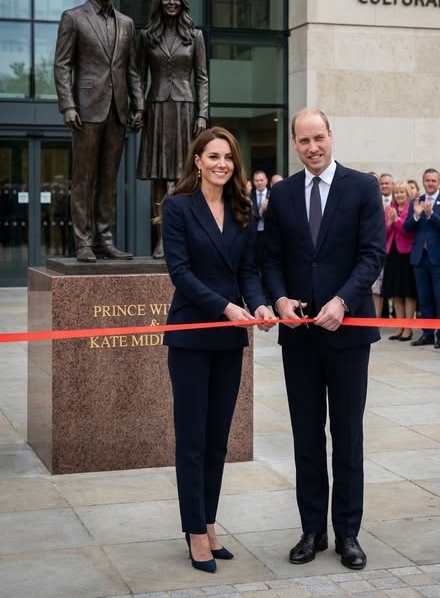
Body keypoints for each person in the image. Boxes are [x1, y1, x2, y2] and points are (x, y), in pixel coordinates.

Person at [263, 108, 385, 570]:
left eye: (318, 138)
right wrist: (279, 300)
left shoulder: (362, 187)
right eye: (303, 141)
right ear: (294, 144)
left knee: (347, 436)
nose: (312, 148)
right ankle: (311, 529)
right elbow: (270, 257)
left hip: (348, 335)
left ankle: (347, 533)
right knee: (306, 437)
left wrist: (344, 301)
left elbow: (372, 254)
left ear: (331, 136)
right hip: (300, 339)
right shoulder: (283, 193)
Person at [162, 127, 273, 573]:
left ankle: (209, 522)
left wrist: (259, 304)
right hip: (190, 335)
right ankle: (193, 530)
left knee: (217, 441)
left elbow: (248, 270)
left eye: (228, 157)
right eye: (213, 156)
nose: (221, 163)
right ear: (197, 161)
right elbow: (180, 273)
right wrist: (228, 307)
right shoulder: (177, 207)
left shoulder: (242, 209)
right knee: (192, 439)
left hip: (229, 341)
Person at [54, 0, 144, 261]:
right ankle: (82, 242)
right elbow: (62, 65)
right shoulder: (74, 18)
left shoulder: (127, 23)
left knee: (108, 180)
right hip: (86, 111)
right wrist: (67, 105)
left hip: (117, 110)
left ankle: (104, 239)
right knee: (83, 180)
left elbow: (133, 70)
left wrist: (138, 104)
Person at [137, 0, 208, 258]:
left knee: (183, 175)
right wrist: (138, 108)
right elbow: (139, 75)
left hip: (185, 109)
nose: (171, 3)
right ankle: (162, 239)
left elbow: (202, 78)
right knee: (159, 176)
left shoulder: (195, 36)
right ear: (159, 1)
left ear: (182, 2)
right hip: (156, 107)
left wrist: (202, 113)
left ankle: (182, 238)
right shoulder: (147, 36)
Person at [404, 168, 440, 348]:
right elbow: (407, 227)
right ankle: (427, 333)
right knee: (424, 297)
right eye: (427, 180)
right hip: (420, 257)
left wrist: (430, 214)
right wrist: (417, 214)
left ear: (439, 181)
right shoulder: (416, 202)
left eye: (434, 180)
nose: (430, 183)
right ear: (423, 181)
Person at [382, 181, 417, 341]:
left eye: (402, 192)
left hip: (407, 255)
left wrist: (396, 220)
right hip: (392, 254)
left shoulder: (412, 209)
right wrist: (389, 223)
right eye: (397, 193)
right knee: (396, 293)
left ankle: (408, 328)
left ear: (408, 194)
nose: (399, 195)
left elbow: (409, 231)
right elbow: (383, 233)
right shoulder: (389, 209)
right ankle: (399, 326)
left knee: (408, 293)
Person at [250, 169, 269, 275]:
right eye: (257, 181)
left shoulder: (273, 194)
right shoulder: (249, 196)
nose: (259, 183)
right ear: (253, 182)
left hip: (268, 233)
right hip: (254, 233)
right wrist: (260, 211)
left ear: (266, 180)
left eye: (261, 180)